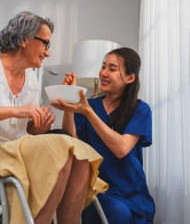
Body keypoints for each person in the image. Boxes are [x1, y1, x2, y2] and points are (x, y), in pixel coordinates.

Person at [0, 11, 107, 224]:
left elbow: (30, 132)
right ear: (24, 39)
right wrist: (17, 111)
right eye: (45, 44)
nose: (47, 53)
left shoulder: (30, 78)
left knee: (81, 155)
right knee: (63, 149)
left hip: (16, 150)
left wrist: (42, 123)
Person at [51, 47, 155, 224]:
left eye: (112, 69)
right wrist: (70, 105)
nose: (103, 73)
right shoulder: (89, 104)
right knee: (110, 211)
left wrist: (88, 112)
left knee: (118, 213)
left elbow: (121, 148)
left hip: (131, 193)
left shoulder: (140, 109)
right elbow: (71, 140)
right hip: (95, 189)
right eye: (103, 66)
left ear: (130, 78)